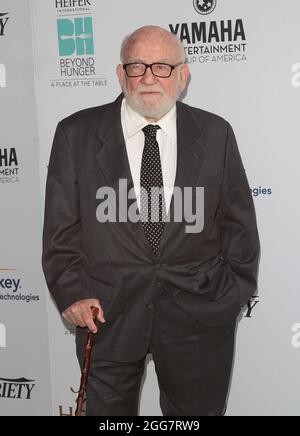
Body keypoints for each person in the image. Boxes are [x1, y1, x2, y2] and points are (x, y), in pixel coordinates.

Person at [42, 25, 260, 416]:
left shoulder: (215, 134)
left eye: (161, 66)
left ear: (183, 75)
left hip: (197, 317)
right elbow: (60, 233)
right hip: (105, 317)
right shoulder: (75, 133)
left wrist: (230, 297)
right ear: (120, 74)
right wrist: (73, 293)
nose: (147, 77)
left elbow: (239, 227)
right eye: (136, 66)